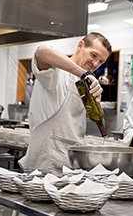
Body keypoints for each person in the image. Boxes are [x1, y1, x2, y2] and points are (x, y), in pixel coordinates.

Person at [19, 32, 112, 174]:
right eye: (93, 55)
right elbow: (42, 51)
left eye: (101, 62)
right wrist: (83, 74)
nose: (95, 64)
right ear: (80, 45)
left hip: (71, 164)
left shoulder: (86, 83)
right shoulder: (55, 72)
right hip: (47, 164)